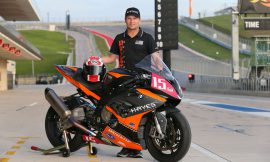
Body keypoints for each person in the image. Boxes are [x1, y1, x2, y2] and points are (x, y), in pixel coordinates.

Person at [101, 7, 160, 158]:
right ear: (125, 20)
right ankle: (126, 146)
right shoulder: (119, 38)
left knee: (139, 115)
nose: (132, 21)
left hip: (143, 80)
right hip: (124, 80)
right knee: (122, 114)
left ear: (139, 20)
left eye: (134, 18)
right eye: (129, 18)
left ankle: (135, 147)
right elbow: (111, 58)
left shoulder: (147, 38)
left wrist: (161, 69)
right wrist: (97, 59)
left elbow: (156, 58)